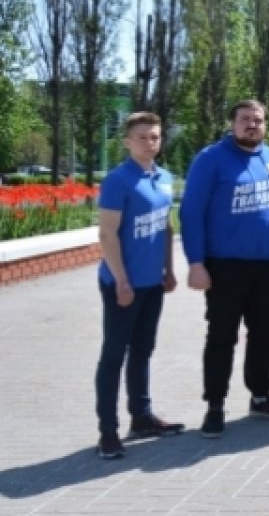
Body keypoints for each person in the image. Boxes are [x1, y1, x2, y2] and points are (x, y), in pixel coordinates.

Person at [181, 99, 269, 439]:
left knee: (264, 334)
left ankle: (260, 397)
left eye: (257, 120)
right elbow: (191, 213)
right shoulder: (210, 159)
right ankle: (214, 406)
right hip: (224, 267)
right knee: (221, 337)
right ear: (232, 123)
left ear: (266, 125)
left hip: (266, 268)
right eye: (244, 119)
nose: (251, 125)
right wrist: (196, 262)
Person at [94, 112, 182, 459]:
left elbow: (165, 227)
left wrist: (169, 270)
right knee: (114, 355)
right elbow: (107, 233)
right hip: (122, 284)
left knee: (143, 351)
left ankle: (142, 417)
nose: (150, 142)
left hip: (152, 283)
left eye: (155, 136)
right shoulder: (118, 180)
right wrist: (121, 280)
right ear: (128, 141)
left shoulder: (163, 178)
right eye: (143, 136)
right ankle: (107, 432)